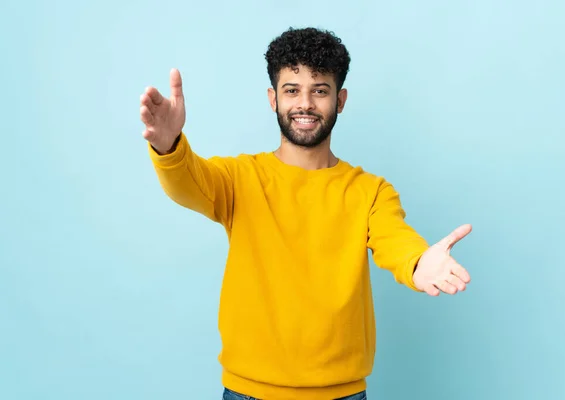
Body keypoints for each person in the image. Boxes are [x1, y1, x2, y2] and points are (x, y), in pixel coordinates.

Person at [139, 27, 472, 400]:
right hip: (248, 393)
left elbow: (394, 238)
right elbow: (188, 182)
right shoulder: (239, 178)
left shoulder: (370, 191)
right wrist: (169, 146)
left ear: (340, 100)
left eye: (320, 90)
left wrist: (417, 263)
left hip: (341, 394)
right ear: (273, 98)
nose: (305, 104)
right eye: (292, 90)